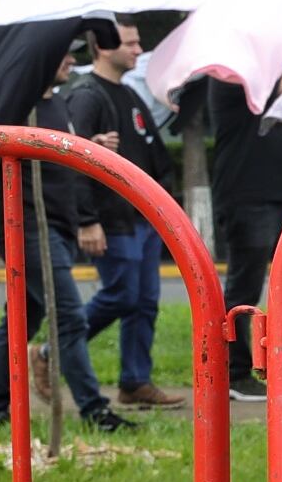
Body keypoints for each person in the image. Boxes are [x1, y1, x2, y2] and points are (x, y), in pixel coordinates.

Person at [0, 78, 132, 433]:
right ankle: (95, 412)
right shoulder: (12, 102)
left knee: (22, 318)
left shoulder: (57, 103)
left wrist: (89, 146)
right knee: (70, 318)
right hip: (28, 229)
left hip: (59, 227)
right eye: (62, 53)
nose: (70, 60)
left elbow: (52, 156)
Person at [59, 23, 187, 408]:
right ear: (102, 46)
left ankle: (135, 381)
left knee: (145, 301)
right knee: (120, 295)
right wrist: (86, 219)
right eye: (130, 43)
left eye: (136, 40)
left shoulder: (130, 93)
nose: (138, 49)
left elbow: (156, 157)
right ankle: (51, 352)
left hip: (141, 218)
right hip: (110, 218)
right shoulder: (85, 96)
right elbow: (72, 161)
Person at [203, 77, 282, 401]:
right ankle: (235, 372)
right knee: (244, 285)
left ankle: (278, 360)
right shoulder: (232, 77)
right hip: (246, 195)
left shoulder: (269, 76)